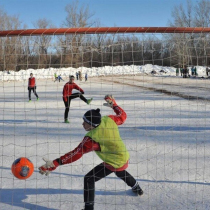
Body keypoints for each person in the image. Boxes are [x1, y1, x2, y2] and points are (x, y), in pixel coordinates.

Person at [39, 95, 143, 210]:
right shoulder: (107, 119)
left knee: (89, 178)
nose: (82, 124)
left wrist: (56, 162)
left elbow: (75, 154)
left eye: (85, 122)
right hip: (124, 156)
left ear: (92, 125)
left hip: (113, 161)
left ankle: (88, 208)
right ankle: (137, 188)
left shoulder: (91, 139)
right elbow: (122, 116)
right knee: (120, 171)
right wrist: (114, 105)